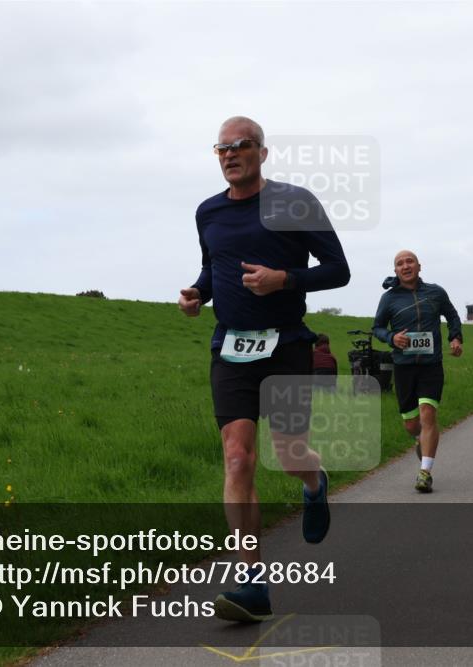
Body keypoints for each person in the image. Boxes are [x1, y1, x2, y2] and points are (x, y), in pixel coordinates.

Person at [178, 116, 350, 623]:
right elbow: (215, 268)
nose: (231, 154)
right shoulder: (207, 212)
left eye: (241, 145)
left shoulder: (294, 202)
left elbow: (338, 270)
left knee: (289, 451)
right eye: (222, 148)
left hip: (286, 345)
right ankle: (252, 583)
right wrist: (198, 293)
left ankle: (313, 481)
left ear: (262, 152)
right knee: (237, 458)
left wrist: (284, 279)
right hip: (230, 347)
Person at [372, 250, 463, 493]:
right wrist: (392, 337)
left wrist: (455, 338)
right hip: (403, 367)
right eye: (400, 263)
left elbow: (452, 316)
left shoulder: (435, 292)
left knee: (428, 414)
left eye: (409, 261)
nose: (405, 266)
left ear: (419, 266)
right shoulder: (389, 299)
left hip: (431, 365)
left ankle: (425, 473)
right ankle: (419, 440)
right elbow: (377, 328)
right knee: (412, 425)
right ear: (396, 271)